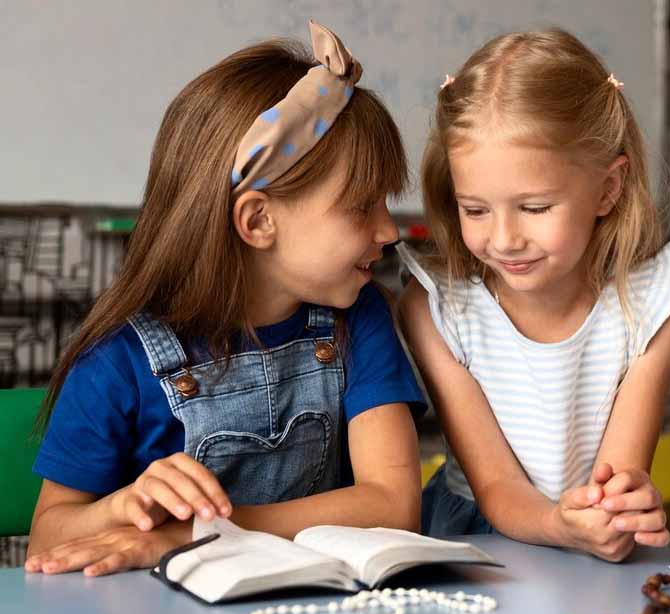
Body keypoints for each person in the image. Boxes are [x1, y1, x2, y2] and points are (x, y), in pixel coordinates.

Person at [25, 22, 424, 577]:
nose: (390, 231)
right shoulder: (115, 360)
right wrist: (120, 510)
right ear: (258, 220)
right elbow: (45, 537)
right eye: (363, 206)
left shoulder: (359, 318)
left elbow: (393, 506)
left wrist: (190, 535)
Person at [397, 29, 670, 562]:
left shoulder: (652, 305)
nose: (505, 238)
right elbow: (496, 488)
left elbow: (621, 471)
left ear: (607, 189)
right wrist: (560, 524)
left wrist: (617, 507)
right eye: (475, 210)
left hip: (583, 544)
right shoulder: (438, 310)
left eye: (534, 208)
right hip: (475, 541)